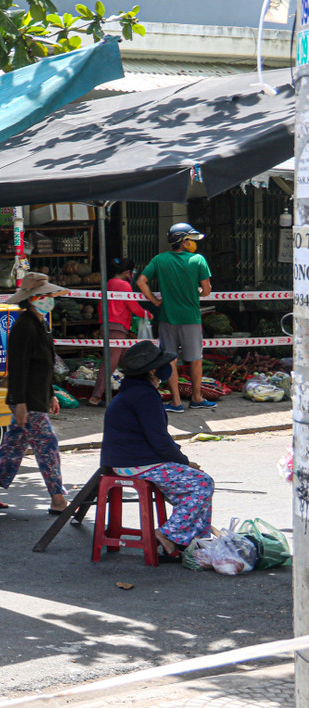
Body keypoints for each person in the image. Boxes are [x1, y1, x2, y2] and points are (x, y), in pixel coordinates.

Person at [100, 340, 214, 557]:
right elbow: (160, 440)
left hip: (132, 459)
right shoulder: (144, 395)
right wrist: (184, 461)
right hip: (135, 462)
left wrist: (180, 460)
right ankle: (168, 534)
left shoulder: (135, 391)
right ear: (153, 370)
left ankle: (195, 541)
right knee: (202, 482)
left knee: (192, 485)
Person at [0, 272, 69, 514]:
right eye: (44, 296)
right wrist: (18, 402)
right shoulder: (24, 325)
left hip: (37, 397)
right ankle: (57, 498)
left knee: (12, 448)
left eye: (50, 296)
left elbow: (44, 366)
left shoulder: (41, 323)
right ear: (32, 299)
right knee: (48, 447)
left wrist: (51, 393)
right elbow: (18, 367)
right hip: (28, 400)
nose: (49, 300)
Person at [137, 223, 214, 413]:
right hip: (191, 319)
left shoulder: (159, 259)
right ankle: (196, 398)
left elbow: (141, 281)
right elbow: (207, 290)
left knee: (170, 360)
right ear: (184, 241)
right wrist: (198, 292)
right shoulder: (198, 260)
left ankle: (176, 402)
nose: (194, 244)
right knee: (196, 360)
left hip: (167, 318)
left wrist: (155, 301)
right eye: (191, 240)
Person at [88, 257, 153, 406]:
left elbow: (100, 306)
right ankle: (96, 396)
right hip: (117, 328)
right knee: (110, 363)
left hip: (108, 326)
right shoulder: (124, 285)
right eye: (132, 272)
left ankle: (140, 389)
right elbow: (133, 306)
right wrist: (147, 314)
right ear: (127, 272)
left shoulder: (109, 283)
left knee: (130, 360)